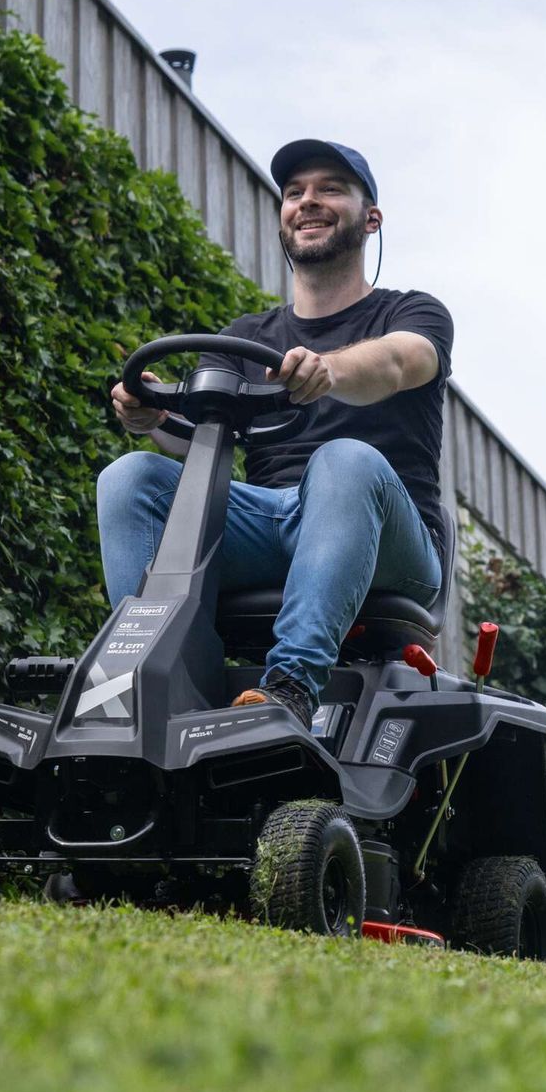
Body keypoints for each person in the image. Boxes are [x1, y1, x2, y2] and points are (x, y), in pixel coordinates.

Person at [98, 139, 453, 728]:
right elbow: (205, 443)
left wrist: (329, 369)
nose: (307, 201)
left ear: (371, 219)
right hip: (269, 521)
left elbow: (397, 363)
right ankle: (153, 687)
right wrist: (155, 418)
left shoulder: (413, 313)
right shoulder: (245, 335)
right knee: (130, 477)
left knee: (344, 461)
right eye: (294, 193)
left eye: (330, 189)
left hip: (392, 539)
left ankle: (290, 686)